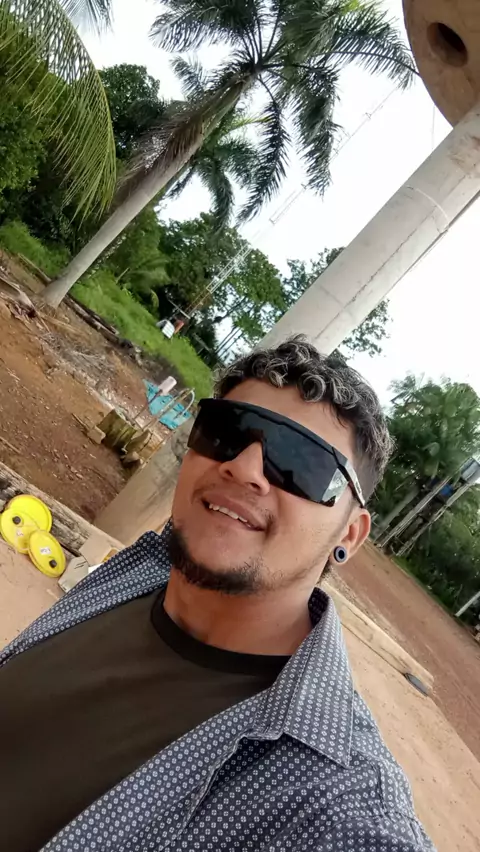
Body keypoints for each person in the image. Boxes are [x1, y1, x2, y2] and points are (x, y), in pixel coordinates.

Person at [0, 337, 434, 852]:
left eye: (301, 463)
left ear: (350, 534)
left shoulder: (336, 803)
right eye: (227, 432)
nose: (244, 468)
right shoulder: (142, 573)